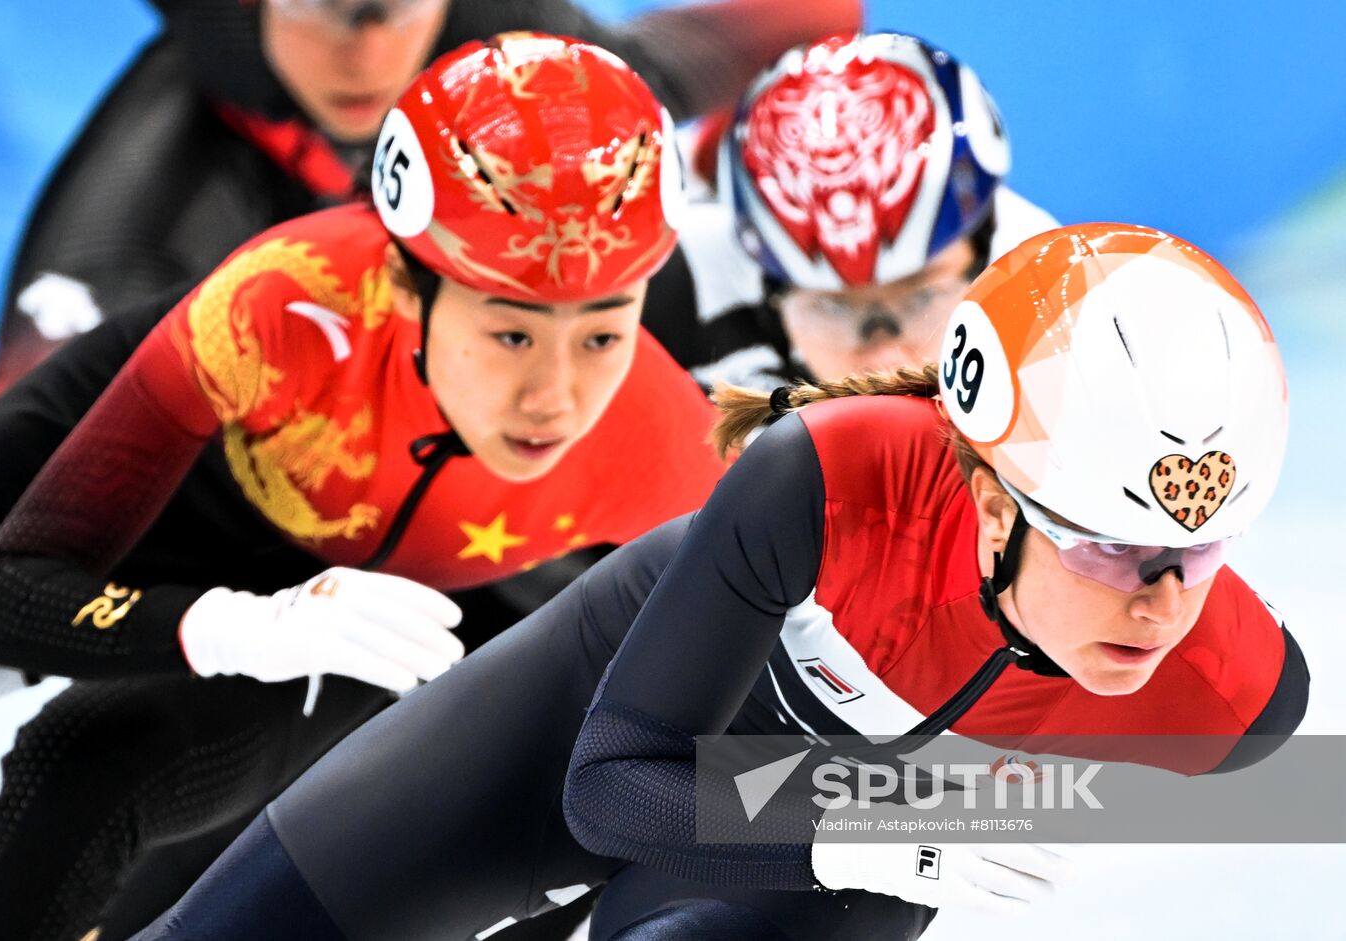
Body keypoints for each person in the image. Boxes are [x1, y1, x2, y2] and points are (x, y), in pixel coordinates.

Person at [128, 223, 1307, 940]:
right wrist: (886, 824)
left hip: (858, 832)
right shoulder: (830, 473)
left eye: (1199, 553)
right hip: (646, 719)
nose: (1161, 603)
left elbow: (1302, 789)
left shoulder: (1236, 692)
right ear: (991, 495)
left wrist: (929, 818)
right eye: (1107, 544)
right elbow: (611, 785)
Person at [0, 35, 727, 941]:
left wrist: (925, 819)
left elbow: (830, 730)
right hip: (175, 487)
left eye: (603, 336)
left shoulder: (668, 444)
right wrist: (237, 624)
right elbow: (3, 591)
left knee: (87, 769)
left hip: (364, 605)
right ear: (404, 285)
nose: (556, 398)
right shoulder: (282, 304)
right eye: (513, 335)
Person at [0, 0, 860, 408]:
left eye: (393, 11)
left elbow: (800, 21)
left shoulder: (514, 42)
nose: (362, 57)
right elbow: (10, 442)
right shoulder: (138, 207)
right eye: (325, 9)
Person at [646, 32, 1059, 389]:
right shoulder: (675, 290)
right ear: (769, 287)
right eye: (833, 305)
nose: (884, 363)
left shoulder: (1044, 301)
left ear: (986, 248)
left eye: (920, 296)